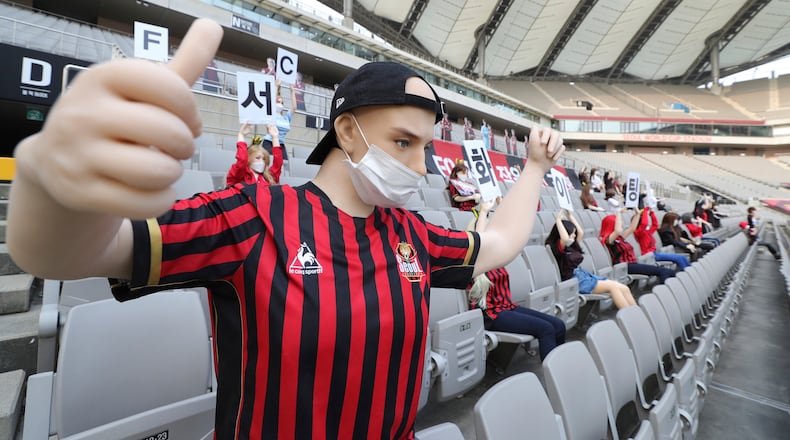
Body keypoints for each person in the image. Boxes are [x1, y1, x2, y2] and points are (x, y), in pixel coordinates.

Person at [6, 19, 565, 439]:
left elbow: (497, 245)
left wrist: (535, 167)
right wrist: (49, 186)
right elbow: (77, 255)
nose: (421, 167)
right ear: (347, 132)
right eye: (403, 142)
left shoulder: (412, 234)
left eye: (424, 146)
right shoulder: (253, 216)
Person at [467, 200, 565, 361]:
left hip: (507, 307)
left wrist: (504, 206)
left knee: (558, 325)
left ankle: (561, 364)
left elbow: (511, 229)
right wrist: (483, 212)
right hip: (491, 314)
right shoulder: (475, 258)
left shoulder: (496, 256)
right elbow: (480, 240)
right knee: (546, 329)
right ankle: (554, 375)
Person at [546, 210, 635, 309]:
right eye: (572, 233)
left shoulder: (571, 246)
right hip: (576, 281)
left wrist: (570, 216)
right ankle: (629, 313)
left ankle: (636, 314)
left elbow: (581, 232)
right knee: (613, 287)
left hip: (585, 276)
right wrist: (558, 220)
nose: (574, 236)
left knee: (624, 288)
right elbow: (565, 239)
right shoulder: (559, 249)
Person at [599, 209, 675, 283]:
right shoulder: (608, 240)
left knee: (670, 272)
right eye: (619, 223)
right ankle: (662, 292)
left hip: (632, 264)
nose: (621, 225)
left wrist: (637, 213)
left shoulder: (619, 238)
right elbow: (618, 230)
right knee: (663, 271)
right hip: (624, 267)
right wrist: (618, 213)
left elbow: (632, 228)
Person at [633, 205, 690, 270]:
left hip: (655, 253)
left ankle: (689, 272)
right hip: (650, 255)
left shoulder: (647, 232)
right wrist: (645, 211)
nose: (648, 224)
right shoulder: (639, 232)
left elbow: (655, 225)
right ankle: (686, 272)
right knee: (679, 258)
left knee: (682, 258)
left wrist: (652, 213)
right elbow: (644, 224)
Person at [226, 122, 283, 186]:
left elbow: (278, 163)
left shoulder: (268, 177)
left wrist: (275, 138)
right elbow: (242, 160)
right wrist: (241, 135)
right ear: (249, 158)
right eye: (257, 158)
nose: (261, 161)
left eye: (264, 159)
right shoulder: (239, 175)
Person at [262, 84, 295, 161]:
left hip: (281, 144)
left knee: (284, 164)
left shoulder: (286, 118)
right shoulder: (270, 114)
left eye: (281, 102)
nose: (279, 104)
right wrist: (276, 86)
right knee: (269, 164)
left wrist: (292, 91)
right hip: (269, 142)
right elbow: (270, 102)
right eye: (277, 101)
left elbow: (294, 107)